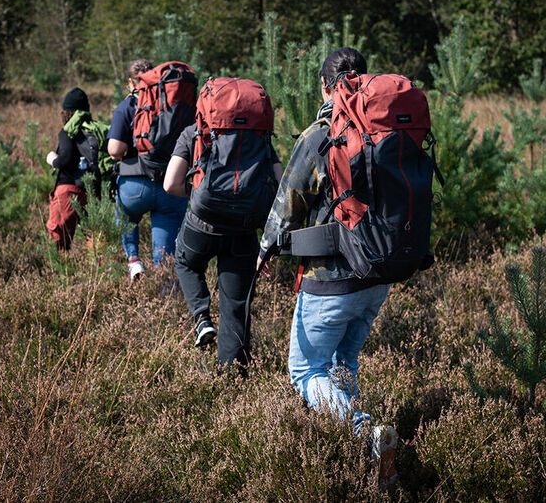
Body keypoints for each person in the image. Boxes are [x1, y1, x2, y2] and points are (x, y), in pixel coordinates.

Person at [257, 48, 399, 483]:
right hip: (378, 275)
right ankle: (362, 460)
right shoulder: (385, 131)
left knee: (304, 370)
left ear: (324, 86)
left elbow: (289, 202)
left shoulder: (320, 135)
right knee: (342, 365)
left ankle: (363, 433)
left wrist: (266, 248)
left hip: (331, 279)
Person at [163, 79, 283, 365]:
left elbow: (170, 184)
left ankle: (202, 317)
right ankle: (233, 374)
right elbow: (281, 188)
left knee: (186, 262)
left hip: (203, 222)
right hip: (244, 228)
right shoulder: (261, 139)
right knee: (236, 304)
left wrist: (199, 195)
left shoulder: (194, 133)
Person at [107, 59, 189, 280]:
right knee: (165, 256)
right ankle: (166, 296)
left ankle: (133, 260)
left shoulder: (126, 107)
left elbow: (115, 150)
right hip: (170, 187)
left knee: (124, 216)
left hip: (134, 188)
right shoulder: (173, 106)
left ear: (130, 83)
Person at [45, 87, 92, 250]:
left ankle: (61, 275)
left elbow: (66, 160)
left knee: (58, 246)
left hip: (68, 192)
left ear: (67, 112)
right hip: (92, 192)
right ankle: (100, 275)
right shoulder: (93, 131)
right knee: (97, 247)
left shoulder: (67, 132)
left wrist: (53, 160)